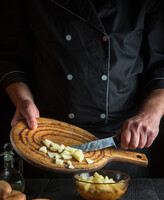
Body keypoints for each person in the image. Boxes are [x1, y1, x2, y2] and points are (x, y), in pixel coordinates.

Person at [0, 0, 164, 177]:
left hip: (121, 142)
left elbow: (161, 66)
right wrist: (23, 100)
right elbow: (11, 59)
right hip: (48, 141)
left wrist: (152, 114)